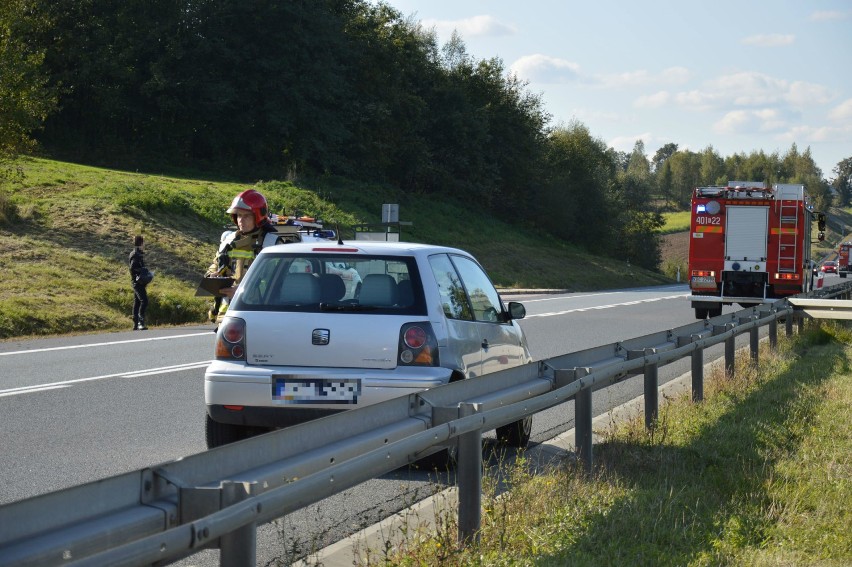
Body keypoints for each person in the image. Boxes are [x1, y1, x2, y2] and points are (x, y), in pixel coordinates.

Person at [206, 189, 283, 322]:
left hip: (258, 315)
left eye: (246, 216)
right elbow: (215, 265)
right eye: (239, 215)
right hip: (227, 315)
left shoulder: (272, 243)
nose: (241, 220)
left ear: (258, 216)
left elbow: (274, 282)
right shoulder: (228, 241)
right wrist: (211, 276)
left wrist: (242, 291)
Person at [129, 235, 149, 330]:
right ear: (140, 243)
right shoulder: (135, 254)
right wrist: (143, 271)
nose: (144, 244)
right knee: (144, 301)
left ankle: (135, 324)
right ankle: (141, 323)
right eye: (143, 242)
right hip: (137, 282)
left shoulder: (138, 253)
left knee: (137, 302)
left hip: (138, 282)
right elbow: (133, 268)